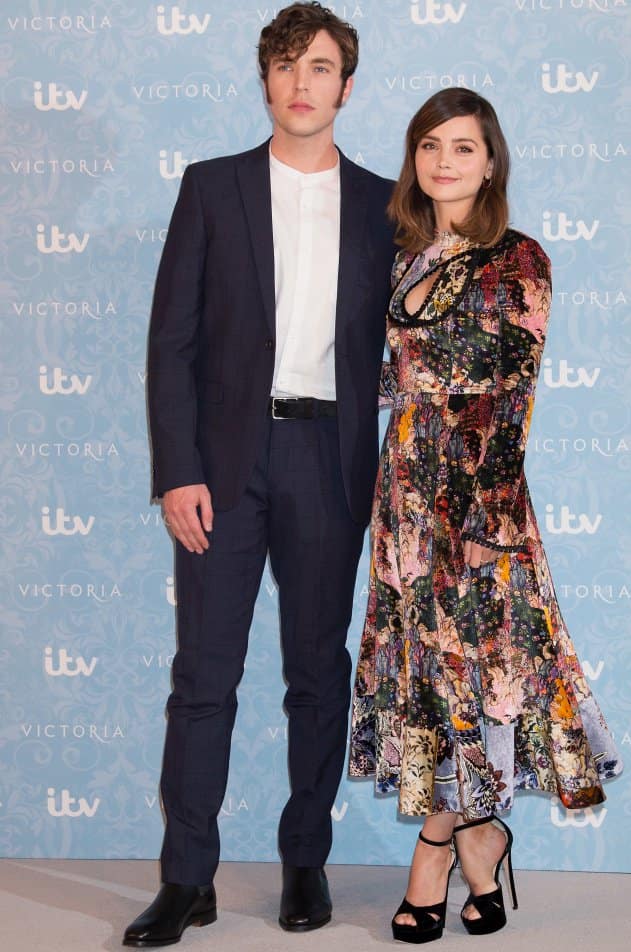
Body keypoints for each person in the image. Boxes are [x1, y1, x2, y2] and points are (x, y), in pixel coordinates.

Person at [123, 3, 396, 946]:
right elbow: (172, 344)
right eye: (284, 64)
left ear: (345, 86)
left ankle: (305, 864)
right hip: (224, 469)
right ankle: (186, 880)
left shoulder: (384, 204)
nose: (301, 82)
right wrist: (177, 472)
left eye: (319, 66)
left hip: (329, 462)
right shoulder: (212, 187)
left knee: (318, 674)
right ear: (265, 79)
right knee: (204, 678)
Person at [349, 87, 622, 943]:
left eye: (463, 147)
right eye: (430, 145)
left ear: (491, 160)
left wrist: (487, 515)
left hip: (476, 505)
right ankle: (483, 836)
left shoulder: (520, 259)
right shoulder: (401, 260)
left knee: (477, 671)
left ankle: (438, 843)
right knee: (423, 673)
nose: (444, 161)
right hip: (403, 503)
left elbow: (514, 391)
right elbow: (389, 385)